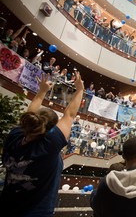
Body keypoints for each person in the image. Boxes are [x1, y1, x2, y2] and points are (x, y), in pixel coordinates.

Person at [0, 72, 84, 216]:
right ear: (51, 129)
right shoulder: (49, 146)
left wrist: (42, 91)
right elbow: (69, 114)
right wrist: (80, 90)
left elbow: (29, 115)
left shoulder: (14, 137)